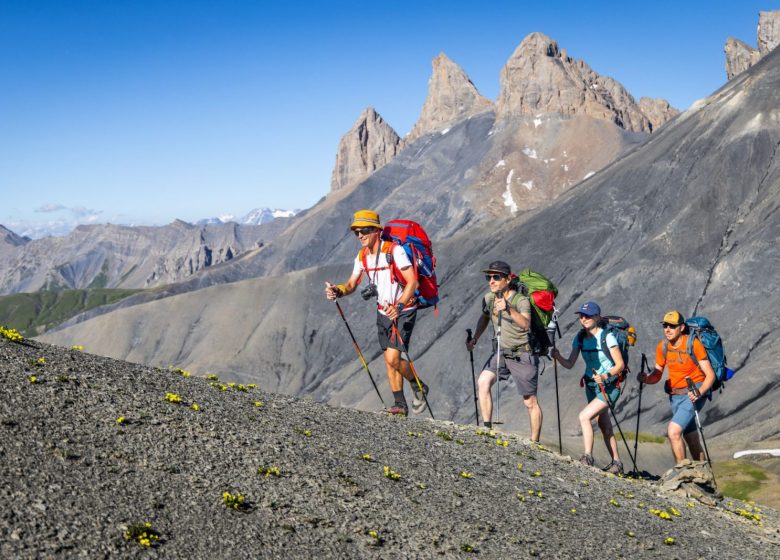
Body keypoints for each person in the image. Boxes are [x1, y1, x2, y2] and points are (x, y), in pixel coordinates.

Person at [324, 209, 428, 416]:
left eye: (364, 230)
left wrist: (398, 306)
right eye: (356, 232)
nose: (360, 235)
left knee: (393, 358)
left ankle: (419, 386)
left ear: (376, 231)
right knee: (389, 359)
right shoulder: (362, 256)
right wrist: (339, 290)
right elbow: (352, 284)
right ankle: (400, 405)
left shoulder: (394, 251)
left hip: (403, 310)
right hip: (382, 312)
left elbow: (412, 282)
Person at [466, 261, 542, 440]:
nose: (491, 281)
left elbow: (525, 324)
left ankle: (535, 442)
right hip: (501, 352)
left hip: (522, 354)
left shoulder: (520, 300)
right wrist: (475, 338)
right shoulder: (489, 298)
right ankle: (487, 430)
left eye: (496, 277)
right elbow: (484, 318)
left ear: (508, 279)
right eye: (489, 277)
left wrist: (508, 309)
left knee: (530, 401)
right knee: (483, 382)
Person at [551, 301, 625, 474]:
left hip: (609, 386)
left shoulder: (607, 337)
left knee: (584, 416)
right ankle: (617, 463)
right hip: (591, 385)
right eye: (581, 316)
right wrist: (558, 356)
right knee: (604, 424)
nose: (583, 319)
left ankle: (587, 457)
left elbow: (620, 365)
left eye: (588, 316)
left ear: (597, 317)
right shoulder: (580, 337)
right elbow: (570, 364)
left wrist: (605, 375)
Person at [637, 310, 716, 465]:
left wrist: (699, 392)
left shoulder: (693, 344)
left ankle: (684, 473)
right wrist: (646, 379)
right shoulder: (663, 346)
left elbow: (710, 375)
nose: (667, 329)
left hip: (694, 391)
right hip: (675, 395)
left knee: (673, 432)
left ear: (681, 327)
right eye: (665, 325)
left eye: (672, 326)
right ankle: (704, 473)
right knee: (691, 438)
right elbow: (657, 374)